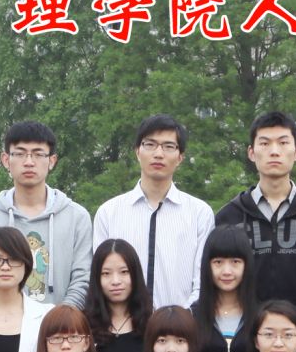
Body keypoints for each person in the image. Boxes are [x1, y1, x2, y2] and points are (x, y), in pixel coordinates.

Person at [212, 111, 296, 308]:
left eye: (283, 142)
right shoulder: (228, 217)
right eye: (264, 143)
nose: (274, 151)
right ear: (251, 153)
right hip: (246, 323)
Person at [91, 115, 214, 309]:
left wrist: (180, 318)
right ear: (137, 152)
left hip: (183, 324)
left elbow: (203, 283)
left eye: (168, 146)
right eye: (150, 144)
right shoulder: (108, 213)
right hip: (123, 324)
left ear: (180, 157)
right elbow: (100, 279)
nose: (158, 154)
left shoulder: (200, 214)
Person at [0, 121, 94, 306]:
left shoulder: (77, 217)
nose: (29, 162)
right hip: (3, 320)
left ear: (51, 161)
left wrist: (61, 318)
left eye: (38, 154)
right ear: (6, 160)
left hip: (63, 322)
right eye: (20, 153)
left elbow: (83, 278)